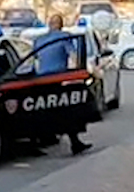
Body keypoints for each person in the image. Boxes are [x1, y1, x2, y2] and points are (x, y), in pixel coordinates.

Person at [33, 14, 91, 156]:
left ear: (49, 24)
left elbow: (35, 59)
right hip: (57, 79)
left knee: (42, 110)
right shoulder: (64, 37)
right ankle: (74, 142)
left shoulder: (39, 40)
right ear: (61, 25)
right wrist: (79, 71)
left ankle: (42, 140)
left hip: (41, 80)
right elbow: (73, 56)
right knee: (65, 111)